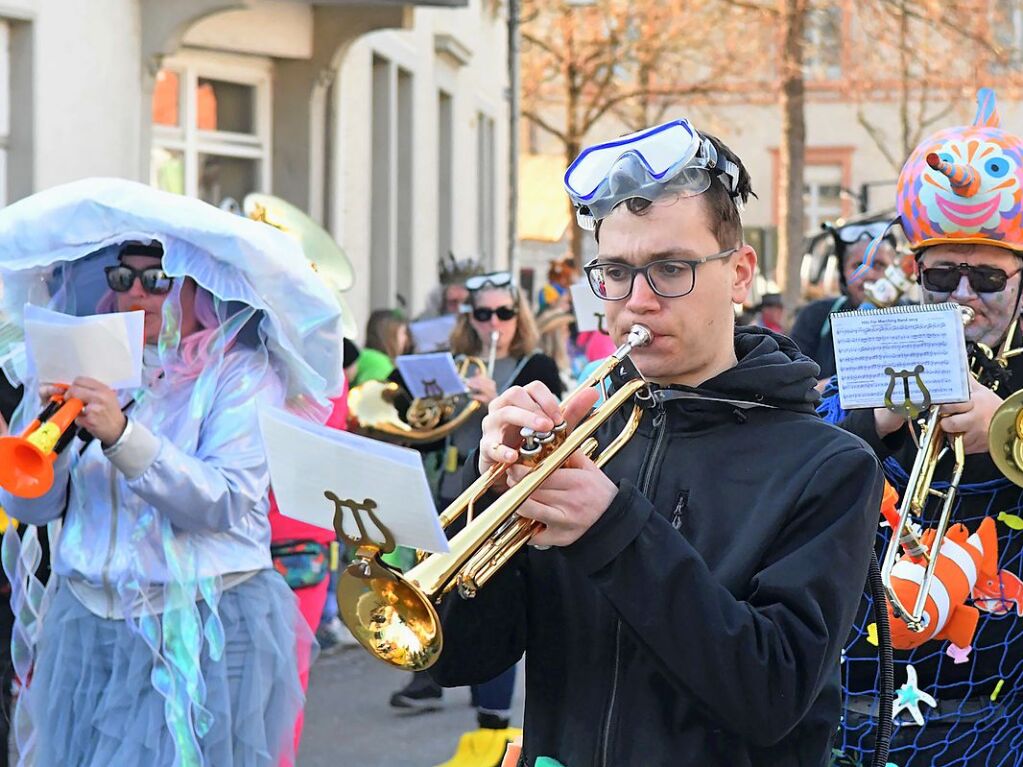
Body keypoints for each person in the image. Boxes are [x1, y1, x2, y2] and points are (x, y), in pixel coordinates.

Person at [427, 118, 883, 766]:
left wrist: (615, 531)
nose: (637, 302)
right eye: (615, 271)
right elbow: (464, 657)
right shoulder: (587, 435)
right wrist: (483, 491)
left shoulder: (826, 463)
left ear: (739, 272)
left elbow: (771, 694)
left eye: (670, 268)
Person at [0, 178, 344, 767]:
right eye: (122, 277)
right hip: (88, 626)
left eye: (157, 280)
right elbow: (34, 511)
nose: (137, 293)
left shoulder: (240, 373)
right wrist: (50, 445)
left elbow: (225, 501)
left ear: (196, 285)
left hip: (202, 624)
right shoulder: (80, 358)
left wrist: (123, 437)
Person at [824, 89, 1023, 766]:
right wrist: (868, 420)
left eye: (986, 278)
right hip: (867, 697)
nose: (962, 297)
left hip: (1001, 708)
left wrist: (1006, 426)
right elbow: (793, 477)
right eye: (941, 275)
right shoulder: (878, 345)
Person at [391, 271, 563, 766]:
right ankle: (432, 675)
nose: (494, 324)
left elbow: (549, 432)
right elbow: (423, 432)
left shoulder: (535, 363)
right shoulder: (452, 364)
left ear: (518, 316)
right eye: (482, 314)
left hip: (500, 501)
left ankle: (491, 727)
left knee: (487, 596)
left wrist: (493, 402)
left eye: (503, 313)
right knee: (440, 603)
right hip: (451, 494)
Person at [789, 221, 897, 380]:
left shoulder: (916, 315)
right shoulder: (814, 317)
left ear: (894, 271)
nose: (869, 275)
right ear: (843, 273)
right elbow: (795, 386)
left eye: (879, 265)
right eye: (858, 265)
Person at [352, 309, 410, 386]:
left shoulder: (366, 355)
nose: (406, 339)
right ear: (390, 335)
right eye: (403, 333)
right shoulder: (379, 362)